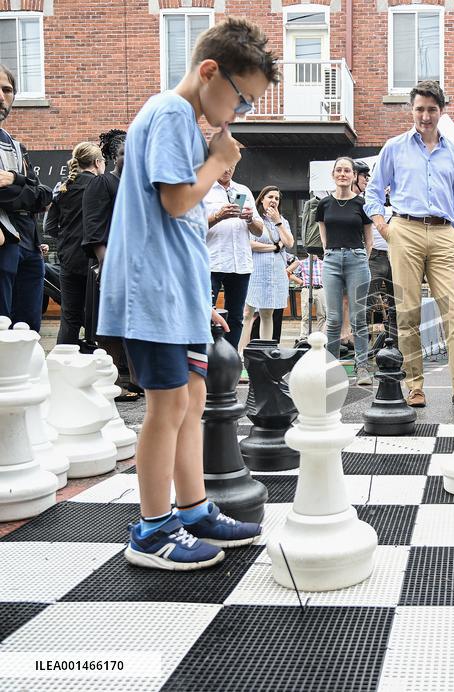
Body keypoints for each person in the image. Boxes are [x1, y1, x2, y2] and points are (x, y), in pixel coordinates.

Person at [97, 17, 278, 570]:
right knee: (168, 405)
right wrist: (219, 163)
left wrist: (200, 300)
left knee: (194, 401)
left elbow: (181, 224)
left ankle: (194, 508)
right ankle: (152, 529)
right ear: (209, 72)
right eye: (242, 100)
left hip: (178, 289)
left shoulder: (178, 117)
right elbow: (176, 201)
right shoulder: (172, 111)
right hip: (153, 290)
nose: (239, 114)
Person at [364, 80, 454, 407]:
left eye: (432, 110)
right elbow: (372, 194)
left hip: (442, 234)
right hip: (405, 230)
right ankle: (415, 386)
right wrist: (385, 227)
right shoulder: (394, 147)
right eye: (420, 109)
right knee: (408, 314)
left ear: (442, 111)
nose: (425, 116)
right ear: (411, 110)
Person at [83, 128, 137, 398]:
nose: (130, 157)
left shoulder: (138, 186)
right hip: (112, 262)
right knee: (111, 327)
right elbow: (93, 227)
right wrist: (106, 263)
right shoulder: (102, 183)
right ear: (112, 157)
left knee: (134, 324)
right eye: (123, 153)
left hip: (137, 264)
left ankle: (136, 379)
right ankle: (112, 383)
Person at [0, 64, 52, 331]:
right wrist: (26, 188)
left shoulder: (16, 146)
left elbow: (44, 195)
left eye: (6, 90)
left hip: (30, 247)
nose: (1, 96)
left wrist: (16, 180)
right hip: (5, 241)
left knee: (28, 331)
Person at [317, 156, 374, 385]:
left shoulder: (362, 204)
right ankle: (331, 369)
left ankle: (362, 369)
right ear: (333, 174)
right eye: (338, 170)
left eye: (347, 171)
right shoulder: (324, 204)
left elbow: (368, 240)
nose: (343, 174)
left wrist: (360, 259)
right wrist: (331, 254)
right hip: (331, 260)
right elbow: (323, 235)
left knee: (358, 318)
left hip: (357, 259)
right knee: (333, 319)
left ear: (353, 175)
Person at [46, 142, 105, 346]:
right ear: (98, 163)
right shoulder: (101, 186)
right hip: (94, 260)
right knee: (96, 317)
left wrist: (66, 239)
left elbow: (49, 227)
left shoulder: (62, 187)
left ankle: (62, 364)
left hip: (68, 258)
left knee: (69, 317)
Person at [205, 164, 264, 350]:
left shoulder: (243, 190)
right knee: (205, 313)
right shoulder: (203, 190)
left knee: (237, 316)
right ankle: (206, 360)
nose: (227, 169)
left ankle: (230, 359)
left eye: (231, 165)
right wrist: (218, 216)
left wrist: (249, 219)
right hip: (211, 262)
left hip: (240, 263)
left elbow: (259, 230)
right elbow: (192, 226)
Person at [242, 185, 294, 350]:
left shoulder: (282, 221)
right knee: (247, 314)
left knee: (267, 313)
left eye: (277, 198)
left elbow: (290, 243)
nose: (273, 201)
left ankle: (265, 353)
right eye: (270, 197)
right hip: (255, 271)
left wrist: (278, 222)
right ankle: (241, 353)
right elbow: (249, 244)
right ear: (262, 199)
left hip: (275, 273)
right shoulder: (255, 220)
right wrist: (275, 247)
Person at [359, 159, 396, 348]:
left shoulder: (399, 191)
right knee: (367, 301)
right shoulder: (369, 195)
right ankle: (363, 348)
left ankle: (394, 344)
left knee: (397, 301)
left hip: (396, 253)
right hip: (374, 254)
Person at [290, 252, 325, 338]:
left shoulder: (323, 263)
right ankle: (304, 336)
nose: (314, 254)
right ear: (308, 253)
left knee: (322, 314)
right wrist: (300, 281)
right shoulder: (301, 262)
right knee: (306, 315)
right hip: (307, 289)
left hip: (320, 289)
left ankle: (321, 335)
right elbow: (288, 272)